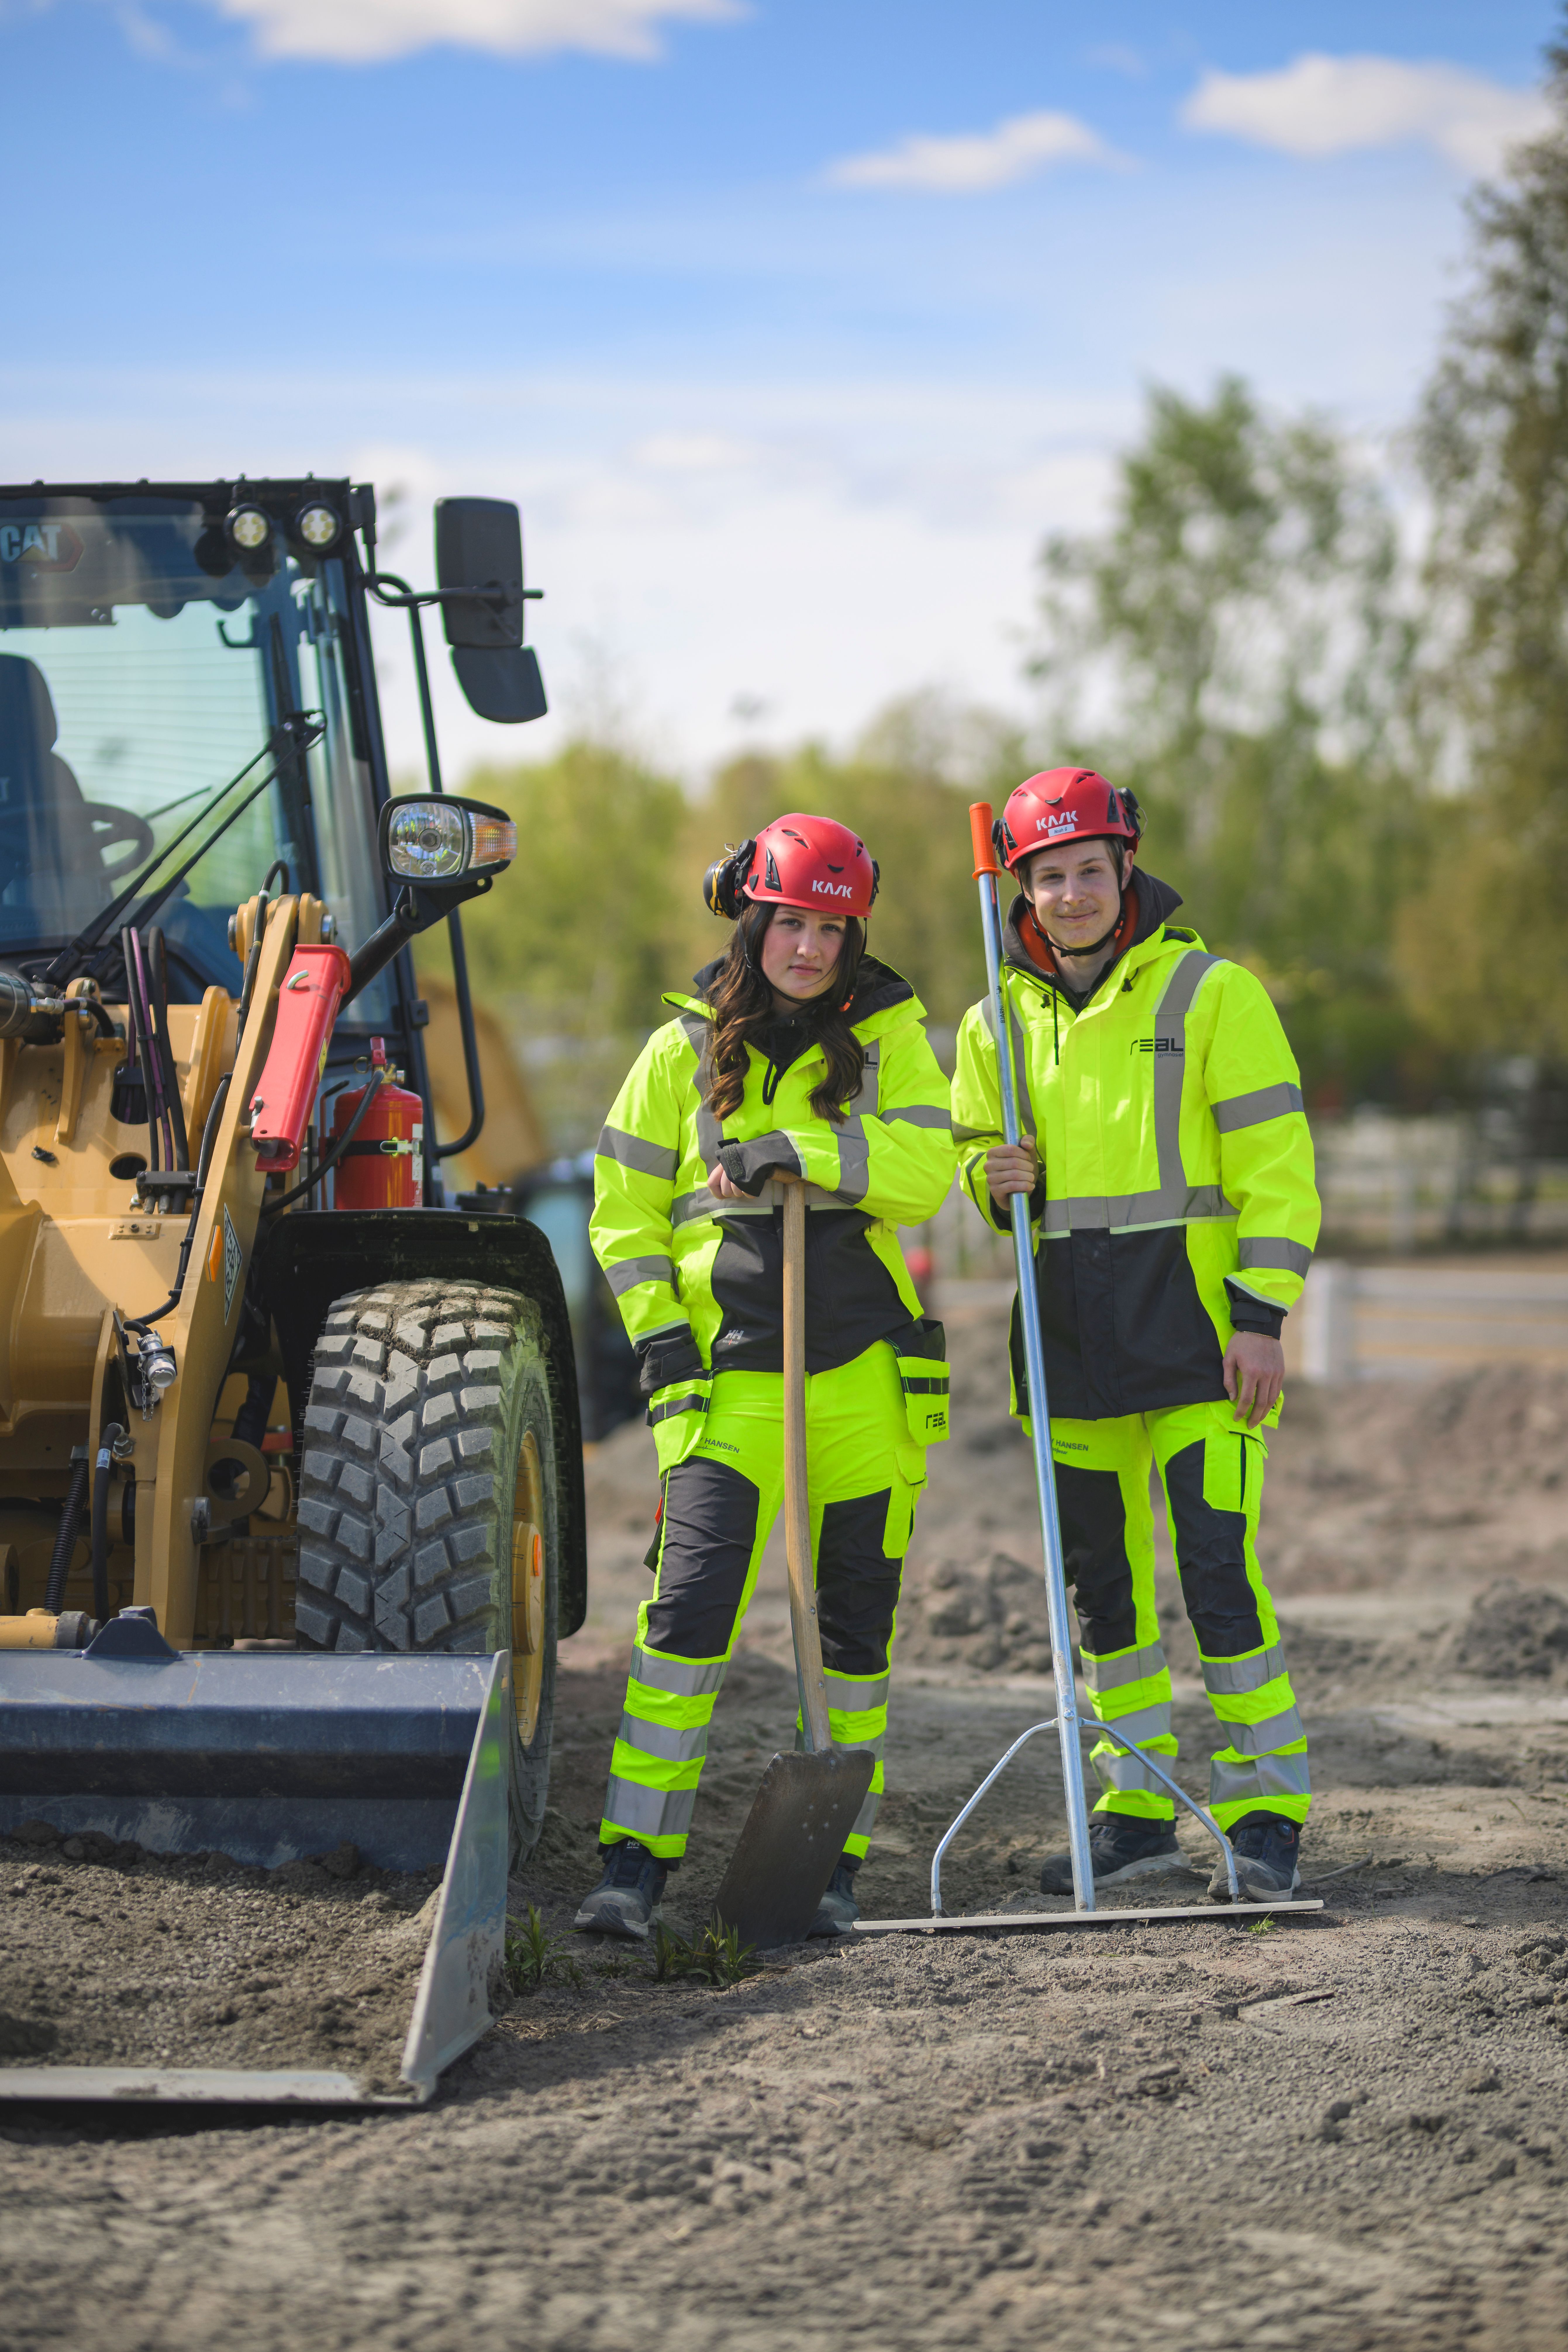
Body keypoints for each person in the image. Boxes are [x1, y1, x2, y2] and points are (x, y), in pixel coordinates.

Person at [578, 814, 956, 1939]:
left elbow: (928, 1168)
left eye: (832, 928)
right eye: (791, 921)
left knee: (852, 1639)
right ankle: (632, 1870)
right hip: (726, 1387)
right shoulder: (679, 1053)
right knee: (683, 1621)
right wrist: (662, 1351)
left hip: (863, 1384)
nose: (810, 947)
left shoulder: (892, 1039)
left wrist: (811, 1153)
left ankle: (827, 1865)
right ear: (752, 919)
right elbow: (622, 1216)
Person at [950, 769, 1321, 1902]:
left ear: (1127, 870)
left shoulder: (1216, 993)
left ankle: (1262, 1814)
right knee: (1103, 1593)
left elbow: (1278, 1173)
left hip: (1203, 1344)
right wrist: (990, 1175)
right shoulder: (989, 1018)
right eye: (1049, 875)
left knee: (1217, 1573)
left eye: (1089, 871)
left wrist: (1261, 1320)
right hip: (1066, 1350)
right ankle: (1138, 1806)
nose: (1071, 894)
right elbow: (976, 1162)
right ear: (1020, 884)